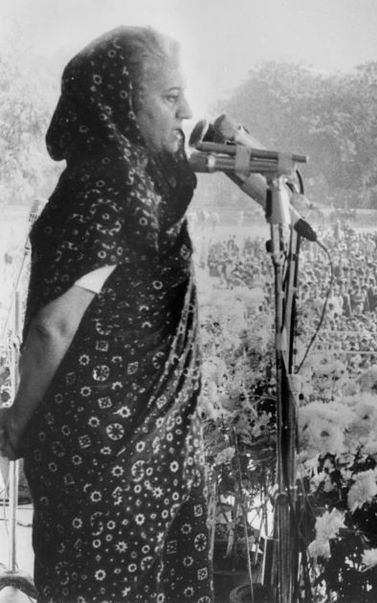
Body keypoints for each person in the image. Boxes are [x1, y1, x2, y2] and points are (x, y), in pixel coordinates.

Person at [0, 26, 213, 601]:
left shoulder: (132, 178)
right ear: (121, 103)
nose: (187, 110)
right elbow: (56, 323)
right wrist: (16, 424)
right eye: (170, 97)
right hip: (118, 469)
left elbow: (189, 167)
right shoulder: (110, 187)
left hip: (136, 463)